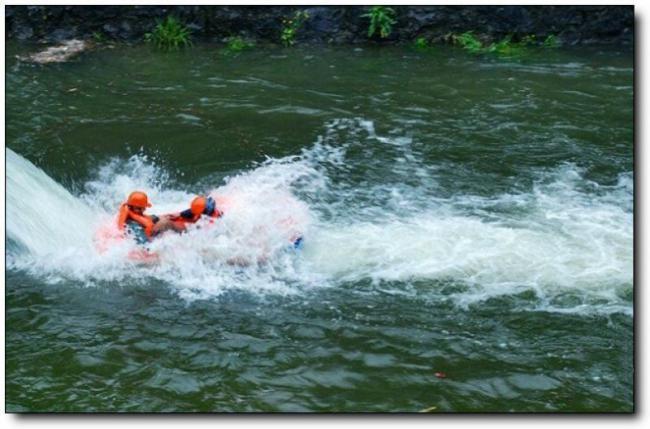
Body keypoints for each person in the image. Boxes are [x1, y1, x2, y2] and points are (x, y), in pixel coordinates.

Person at [117, 191, 183, 245]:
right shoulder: (131, 221)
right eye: (139, 209)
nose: (142, 210)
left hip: (144, 224)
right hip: (146, 229)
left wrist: (162, 216)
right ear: (130, 206)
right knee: (167, 222)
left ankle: (182, 230)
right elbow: (144, 242)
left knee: (166, 217)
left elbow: (143, 217)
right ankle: (184, 234)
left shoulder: (130, 210)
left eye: (143, 208)